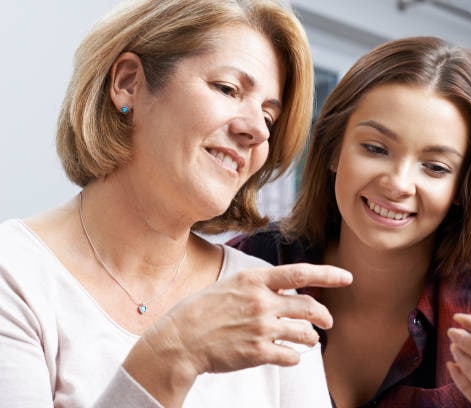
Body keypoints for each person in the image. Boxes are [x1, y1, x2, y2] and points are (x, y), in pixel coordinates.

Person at [0, 0, 354, 407]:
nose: (256, 130)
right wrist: (174, 353)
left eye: (269, 118)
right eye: (228, 89)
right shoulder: (15, 274)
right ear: (128, 83)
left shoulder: (267, 301)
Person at [229, 36, 471, 407]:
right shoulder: (254, 265)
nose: (397, 183)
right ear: (333, 151)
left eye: (435, 167)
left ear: (462, 187)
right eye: (375, 148)